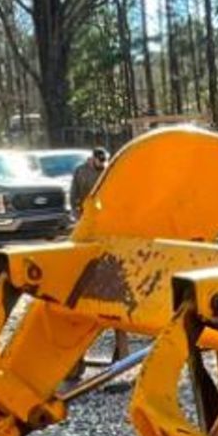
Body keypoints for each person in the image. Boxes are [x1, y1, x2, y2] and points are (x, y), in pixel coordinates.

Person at [67, 148, 128, 362]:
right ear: (93, 159)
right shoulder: (81, 172)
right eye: (99, 162)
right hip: (87, 228)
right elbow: (73, 197)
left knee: (114, 300)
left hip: (108, 231)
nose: (102, 165)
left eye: (105, 163)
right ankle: (76, 359)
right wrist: (79, 218)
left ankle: (121, 353)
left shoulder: (110, 170)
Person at [68, 146, 109, 217]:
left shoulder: (107, 170)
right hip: (84, 209)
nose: (103, 163)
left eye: (104, 161)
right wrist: (74, 208)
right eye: (100, 160)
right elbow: (74, 190)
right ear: (93, 159)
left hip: (102, 209)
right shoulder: (80, 171)